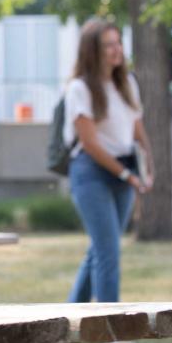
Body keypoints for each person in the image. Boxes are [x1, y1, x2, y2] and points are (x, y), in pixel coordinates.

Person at [64, 19, 154, 303]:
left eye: (118, 43)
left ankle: (68, 315)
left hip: (124, 168)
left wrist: (148, 167)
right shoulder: (79, 88)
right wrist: (128, 176)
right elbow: (90, 144)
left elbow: (137, 129)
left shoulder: (127, 83)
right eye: (108, 45)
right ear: (92, 51)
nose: (117, 50)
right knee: (108, 251)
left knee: (101, 249)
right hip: (91, 172)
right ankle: (111, 330)